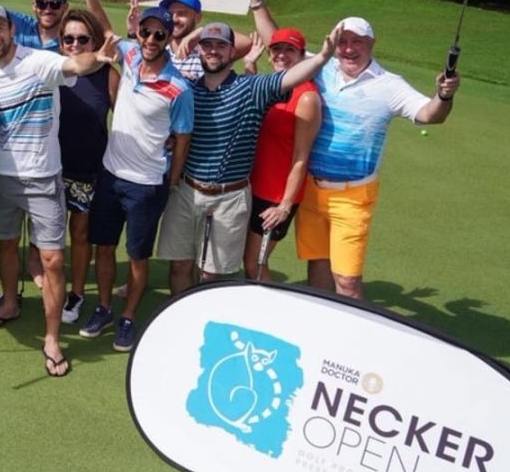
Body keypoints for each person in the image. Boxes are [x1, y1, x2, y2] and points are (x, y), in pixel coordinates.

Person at [0, 4, 117, 377]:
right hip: (2, 177)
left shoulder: (39, 61)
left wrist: (95, 58)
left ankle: (51, 337)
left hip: (43, 177)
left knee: (51, 259)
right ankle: (9, 303)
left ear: (11, 30)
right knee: (6, 244)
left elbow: (73, 66)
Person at [156, 20, 340, 301]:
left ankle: (206, 322)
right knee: (180, 266)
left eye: (221, 46)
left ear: (233, 53)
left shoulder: (252, 88)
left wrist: (323, 57)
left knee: (210, 275)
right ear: (200, 51)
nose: (213, 51)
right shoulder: (188, 89)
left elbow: (291, 77)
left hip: (228, 197)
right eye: (207, 45)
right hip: (186, 191)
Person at [298, 17, 460, 300]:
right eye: (343, 41)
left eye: (357, 42)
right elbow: (277, 42)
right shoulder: (320, 67)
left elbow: (429, 115)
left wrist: (444, 96)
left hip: (353, 195)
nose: (348, 49)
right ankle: (321, 328)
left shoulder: (389, 85)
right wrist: (259, 3)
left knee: (346, 282)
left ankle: (356, 338)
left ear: (371, 44)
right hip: (310, 190)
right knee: (318, 263)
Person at [85, 7, 194, 351]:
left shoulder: (179, 88)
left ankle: (128, 316)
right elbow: (104, 27)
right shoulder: (130, 56)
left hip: (147, 184)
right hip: (110, 174)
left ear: (168, 38)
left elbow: (182, 139)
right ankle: (103, 307)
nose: (150, 40)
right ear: (138, 33)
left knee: (136, 256)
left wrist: (172, 181)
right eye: (145, 32)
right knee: (103, 247)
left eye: (159, 35)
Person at [241, 28, 322, 281]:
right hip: (252, 187)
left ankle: (269, 315)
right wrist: (249, 65)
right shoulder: (273, 87)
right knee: (247, 260)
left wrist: (285, 205)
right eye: (276, 49)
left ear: (302, 56)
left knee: (255, 264)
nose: (282, 55)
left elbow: (301, 156)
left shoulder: (307, 97)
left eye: (290, 50)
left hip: (275, 197)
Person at [54, 7, 119, 325]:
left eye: (83, 39)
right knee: (49, 235)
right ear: (61, 43)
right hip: (50, 168)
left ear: (94, 41)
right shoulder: (52, 69)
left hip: (87, 170)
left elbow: (127, 116)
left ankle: (77, 293)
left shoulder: (107, 74)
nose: (76, 45)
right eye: (69, 39)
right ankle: (52, 287)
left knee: (80, 234)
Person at [154, 0, 277, 81]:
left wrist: (201, 32)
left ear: (198, 17)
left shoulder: (208, 51)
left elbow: (246, 43)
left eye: (182, 14)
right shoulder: (160, 50)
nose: (174, 19)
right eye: (171, 14)